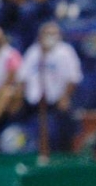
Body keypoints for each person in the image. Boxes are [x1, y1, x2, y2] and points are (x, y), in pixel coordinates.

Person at [14, 21, 83, 153]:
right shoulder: (33, 51)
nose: (50, 37)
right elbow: (22, 77)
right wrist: (20, 95)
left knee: (56, 129)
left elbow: (74, 78)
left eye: (53, 34)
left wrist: (65, 97)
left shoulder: (65, 51)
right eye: (47, 34)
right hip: (33, 103)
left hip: (55, 103)